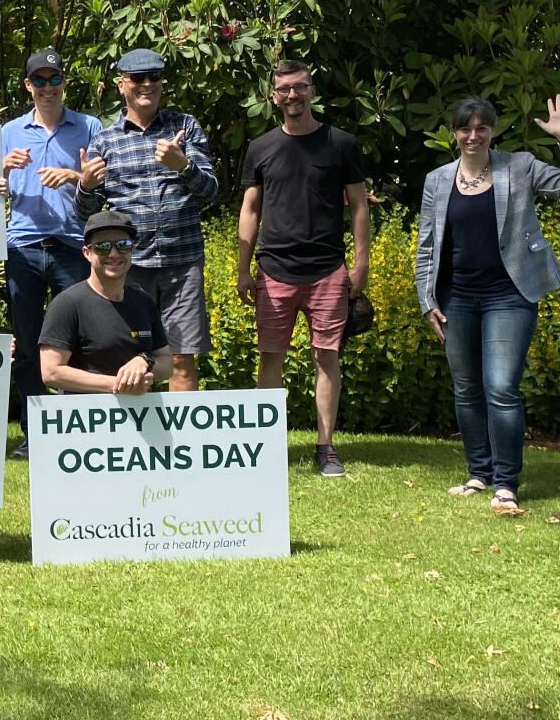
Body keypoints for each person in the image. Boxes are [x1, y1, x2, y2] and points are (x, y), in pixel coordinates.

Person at [414, 94, 560, 515]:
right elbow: (426, 246)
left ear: (492, 131)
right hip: (456, 297)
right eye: (465, 128)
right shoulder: (437, 180)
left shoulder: (520, 166)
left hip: (509, 296)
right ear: (454, 133)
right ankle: (479, 474)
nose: (473, 135)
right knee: (466, 389)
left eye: (481, 128)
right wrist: (427, 301)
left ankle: (506, 484)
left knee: (500, 387)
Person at [236, 60, 372, 477]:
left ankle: (326, 446)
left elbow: (360, 206)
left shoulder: (341, 144)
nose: (291, 95)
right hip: (274, 268)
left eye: (299, 87)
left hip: (328, 269)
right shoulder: (260, 147)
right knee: (270, 357)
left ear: (312, 90)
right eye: (283, 89)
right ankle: (266, 445)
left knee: (326, 357)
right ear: (273, 96)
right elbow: (250, 209)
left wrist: (361, 263)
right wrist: (244, 269)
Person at [75, 47, 216, 392]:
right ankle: (135, 443)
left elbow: (210, 191)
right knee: (128, 359)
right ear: (121, 84)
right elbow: (85, 217)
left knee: (181, 358)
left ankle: (182, 444)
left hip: (181, 262)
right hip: (128, 266)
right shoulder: (105, 140)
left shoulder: (184, 126)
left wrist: (182, 165)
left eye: (154, 77)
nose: (147, 84)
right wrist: (86, 186)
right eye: (138, 78)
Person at [0, 49, 103, 452]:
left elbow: (103, 181)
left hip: (73, 244)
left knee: (79, 337)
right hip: (22, 244)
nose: (47, 88)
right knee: (28, 339)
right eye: (39, 81)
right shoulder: (9, 131)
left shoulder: (89, 126)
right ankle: (34, 432)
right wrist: (1, 176)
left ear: (64, 82)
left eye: (53, 79)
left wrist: (74, 175)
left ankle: (79, 425)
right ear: (27, 86)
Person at [38, 210, 172, 396]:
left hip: (140, 416)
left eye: (123, 245)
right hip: (86, 418)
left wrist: (144, 362)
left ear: (132, 249)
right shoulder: (67, 304)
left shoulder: (143, 301)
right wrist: (119, 384)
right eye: (102, 247)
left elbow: (166, 364)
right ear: (87, 253)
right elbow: (51, 372)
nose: (114, 254)